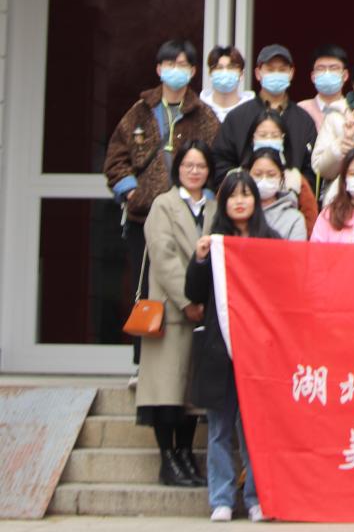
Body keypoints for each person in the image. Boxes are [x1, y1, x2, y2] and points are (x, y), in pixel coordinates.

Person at [103, 38, 219, 363]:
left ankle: (190, 362)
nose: (175, 70)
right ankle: (142, 363)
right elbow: (115, 158)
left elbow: (217, 161)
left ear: (193, 71)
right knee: (144, 289)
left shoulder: (204, 115)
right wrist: (131, 192)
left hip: (190, 217)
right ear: (158, 69)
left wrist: (206, 200)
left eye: (182, 65)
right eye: (170, 64)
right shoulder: (139, 112)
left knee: (189, 285)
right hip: (144, 217)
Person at [185, 170, 279, 522]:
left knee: (256, 429)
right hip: (219, 348)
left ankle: (257, 498)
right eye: (233, 196)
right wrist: (199, 259)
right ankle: (221, 498)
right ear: (223, 203)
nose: (240, 201)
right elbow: (194, 294)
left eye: (246, 194)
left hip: (260, 350)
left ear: (256, 200)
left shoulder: (271, 241)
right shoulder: (214, 242)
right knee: (220, 428)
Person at [136, 140, 215, 488]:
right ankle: (167, 460)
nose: (194, 172)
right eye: (188, 165)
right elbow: (163, 256)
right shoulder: (163, 205)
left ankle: (185, 455)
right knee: (165, 393)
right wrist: (188, 302)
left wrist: (205, 303)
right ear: (178, 168)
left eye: (201, 166)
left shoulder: (214, 207)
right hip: (171, 312)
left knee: (190, 395)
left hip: (204, 315)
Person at [212, 44, 317, 186]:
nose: (276, 74)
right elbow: (221, 162)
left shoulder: (303, 120)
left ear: (291, 73)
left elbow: (312, 169)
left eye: (282, 70)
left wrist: (293, 185)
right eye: (270, 69)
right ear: (258, 73)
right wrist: (242, 184)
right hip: (244, 195)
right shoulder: (237, 117)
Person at [247, 109, 318, 234]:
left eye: (274, 135)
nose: (268, 140)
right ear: (252, 138)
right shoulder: (237, 176)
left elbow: (310, 217)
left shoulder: (295, 178)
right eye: (263, 135)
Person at [244, 146, 306, 241]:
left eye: (271, 175)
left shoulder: (294, 219)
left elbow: (297, 250)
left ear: (281, 178)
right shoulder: (238, 210)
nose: (264, 180)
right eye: (258, 174)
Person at [295, 44, 349, 134]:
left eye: (333, 68)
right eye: (321, 69)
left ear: (345, 75)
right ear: (313, 77)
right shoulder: (300, 110)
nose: (327, 73)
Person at [200, 45, 254, 123]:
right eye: (219, 68)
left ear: (241, 74)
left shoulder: (252, 112)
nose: (225, 72)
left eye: (231, 67)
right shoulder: (198, 110)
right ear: (210, 74)